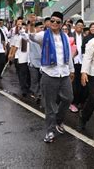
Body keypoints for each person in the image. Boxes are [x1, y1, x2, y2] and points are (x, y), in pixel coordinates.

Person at [29, 11, 74, 143]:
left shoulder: (65, 36)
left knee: (68, 98)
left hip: (64, 73)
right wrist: (31, 24)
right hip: (49, 74)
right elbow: (31, 37)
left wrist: (71, 70)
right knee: (50, 105)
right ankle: (49, 131)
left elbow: (69, 54)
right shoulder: (43, 35)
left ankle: (58, 121)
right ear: (49, 22)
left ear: (61, 24)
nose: (54, 23)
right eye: (52, 21)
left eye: (57, 22)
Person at [9, 21, 31, 97]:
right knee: (22, 74)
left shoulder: (29, 36)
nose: (23, 29)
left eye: (25, 28)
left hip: (28, 59)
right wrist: (11, 55)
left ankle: (27, 87)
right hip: (20, 58)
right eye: (21, 28)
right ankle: (24, 89)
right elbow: (14, 47)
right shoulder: (17, 37)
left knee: (27, 75)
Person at [70, 19, 86, 113]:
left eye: (81, 25)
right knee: (74, 83)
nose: (80, 26)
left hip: (82, 62)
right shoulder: (71, 36)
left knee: (81, 83)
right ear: (75, 26)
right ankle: (73, 102)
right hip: (73, 62)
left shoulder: (84, 36)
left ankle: (80, 101)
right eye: (78, 25)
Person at [29, 21, 44, 101]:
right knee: (35, 80)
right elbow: (29, 35)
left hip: (43, 63)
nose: (42, 29)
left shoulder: (44, 37)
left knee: (42, 81)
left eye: (43, 27)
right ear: (36, 28)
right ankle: (35, 94)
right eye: (40, 27)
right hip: (33, 62)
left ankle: (40, 95)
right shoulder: (33, 37)